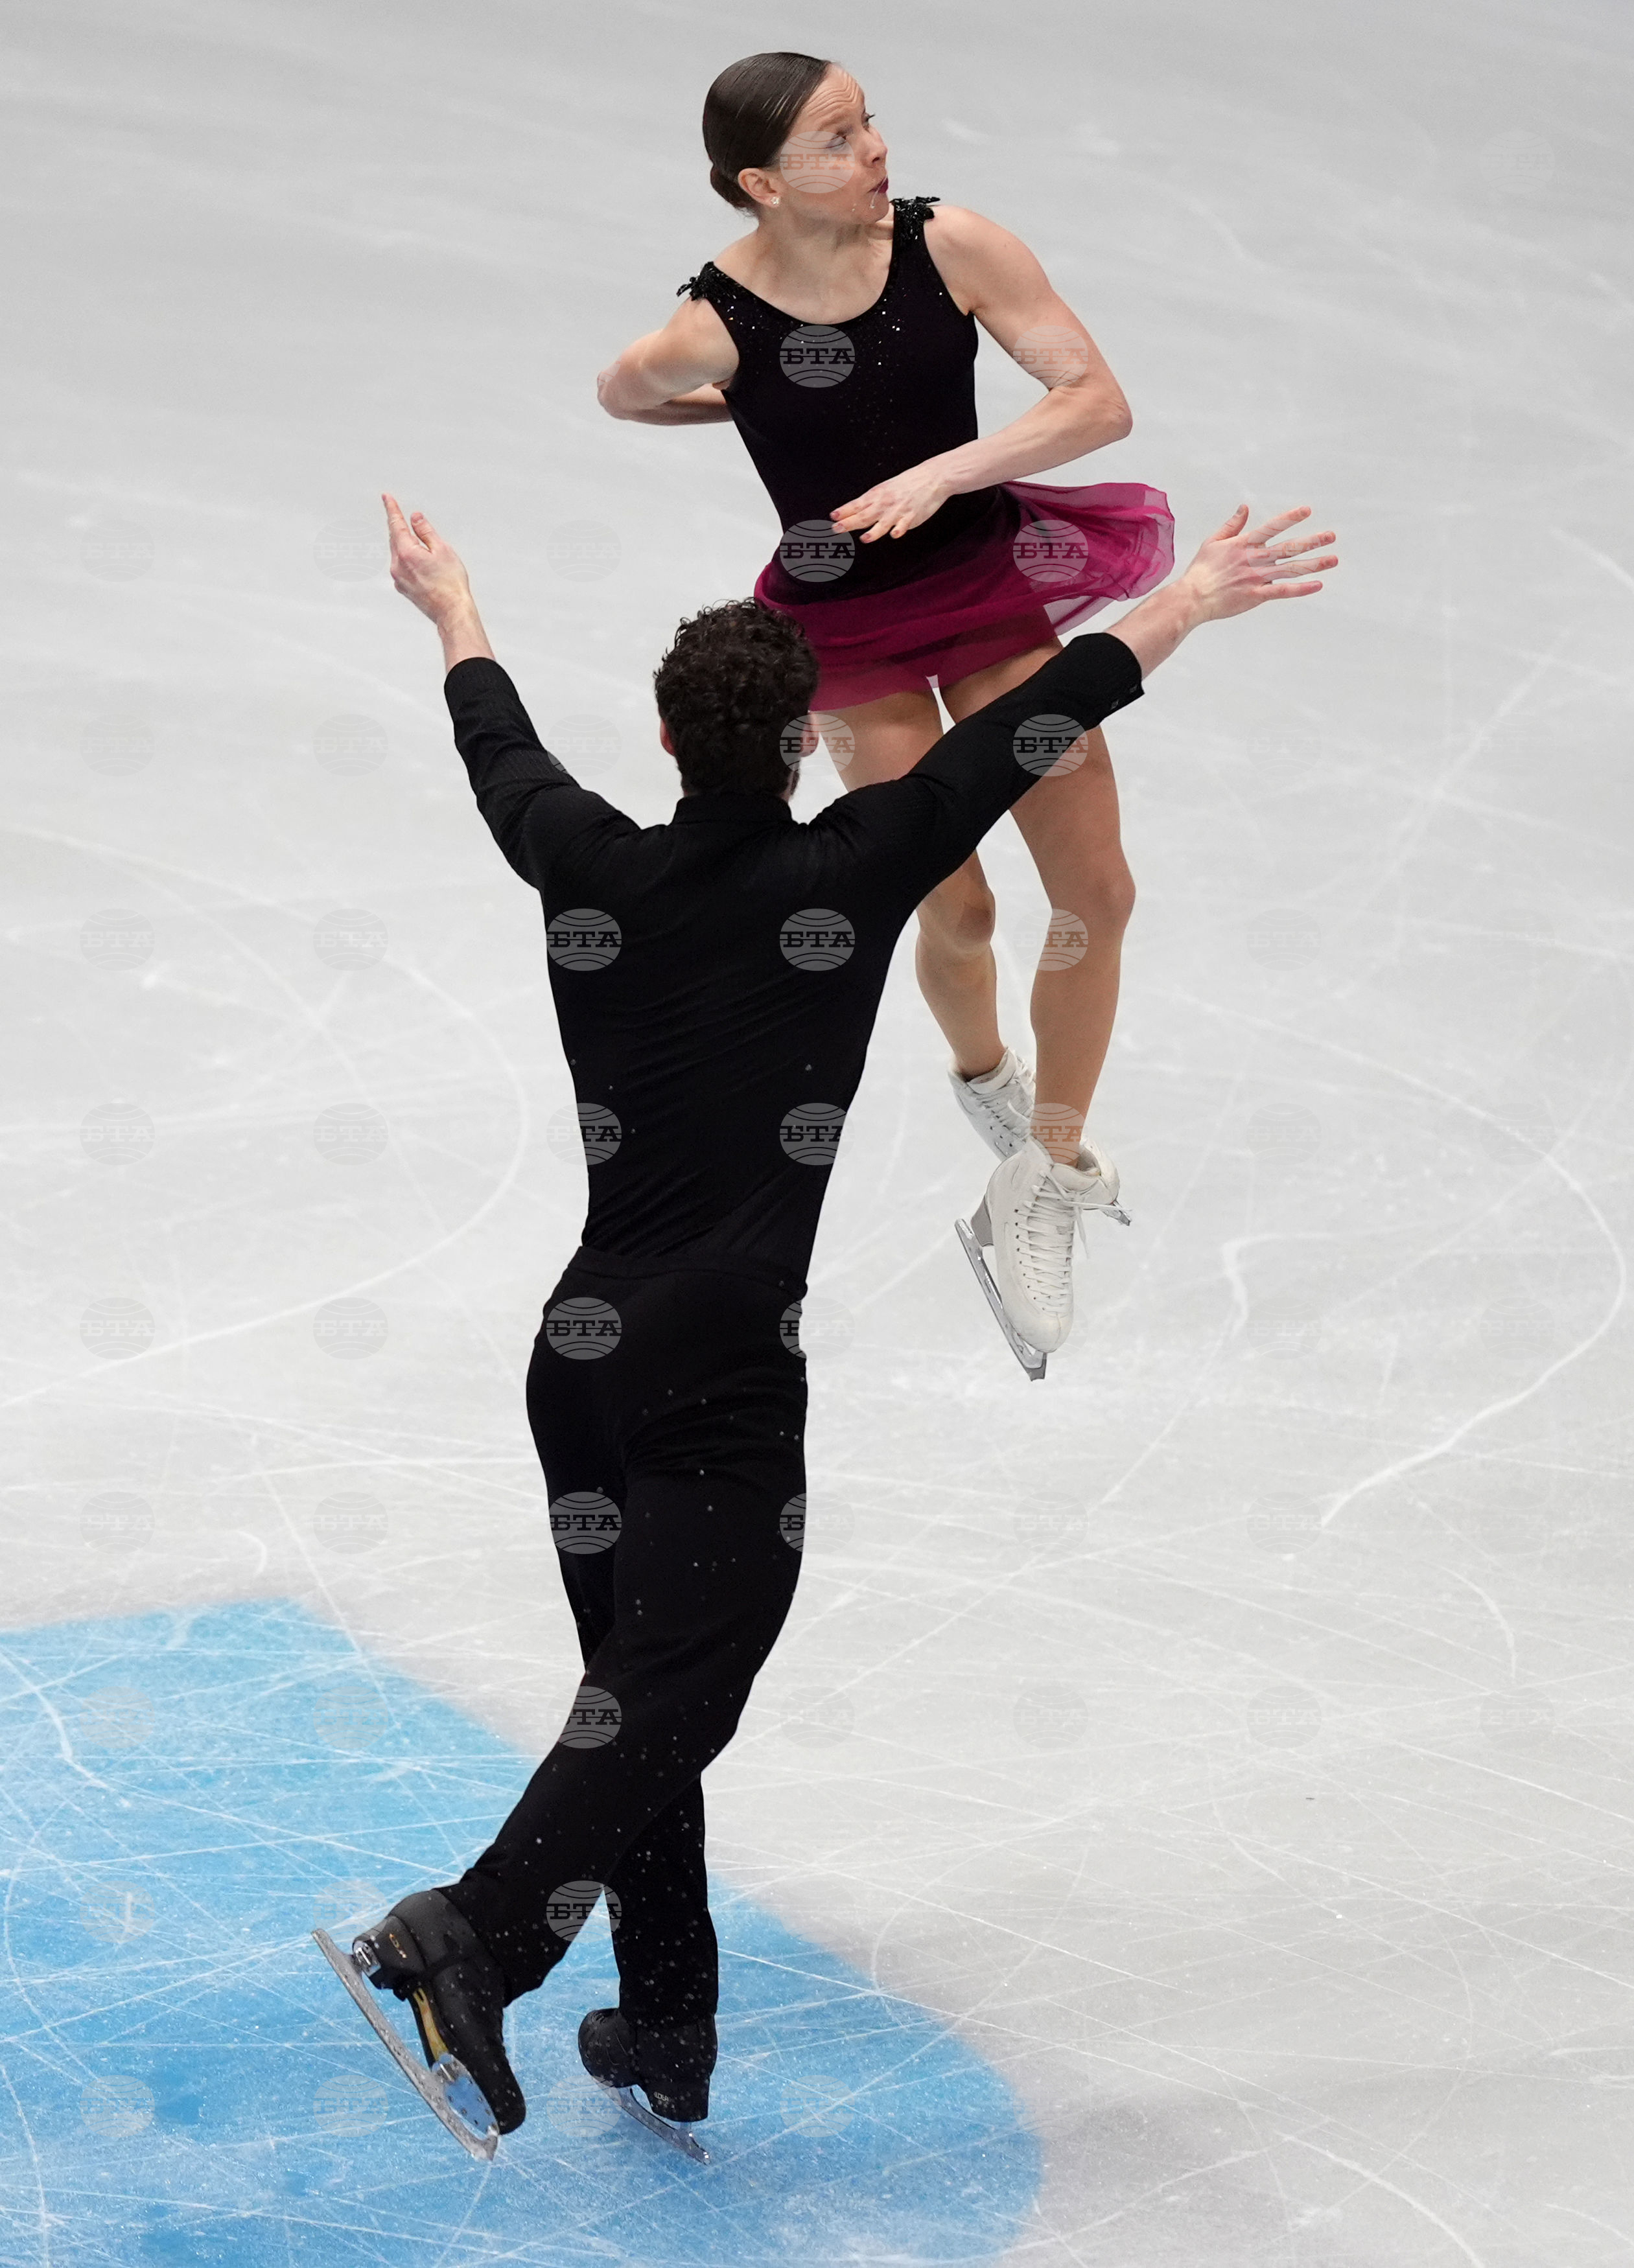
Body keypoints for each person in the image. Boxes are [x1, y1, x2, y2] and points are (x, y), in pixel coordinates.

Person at [334, 489, 1335, 2150]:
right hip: (722, 1366)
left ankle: (665, 2020)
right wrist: (1194, 599)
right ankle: (474, 1937)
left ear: (662, 736)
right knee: (677, 1692)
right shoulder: (858, 868)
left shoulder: (585, 858)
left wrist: (455, 610)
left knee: (635, 1696)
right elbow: (1032, 721)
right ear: (807, 741)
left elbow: (495, 752)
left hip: (579, 1356)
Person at [598, 51, 1176, 1348]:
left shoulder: (952, 245)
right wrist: (731, 404)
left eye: (868, 124)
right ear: (759, 182)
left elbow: (1097, 401)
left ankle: (1040, 1174)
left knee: (1098, 891)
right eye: (833, 140)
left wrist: (944, 471)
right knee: (953, 902)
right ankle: (984, 1075)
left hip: (986, 585)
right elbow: (622, 388)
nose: (873, 153)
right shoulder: (713, 321)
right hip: (842, 631)